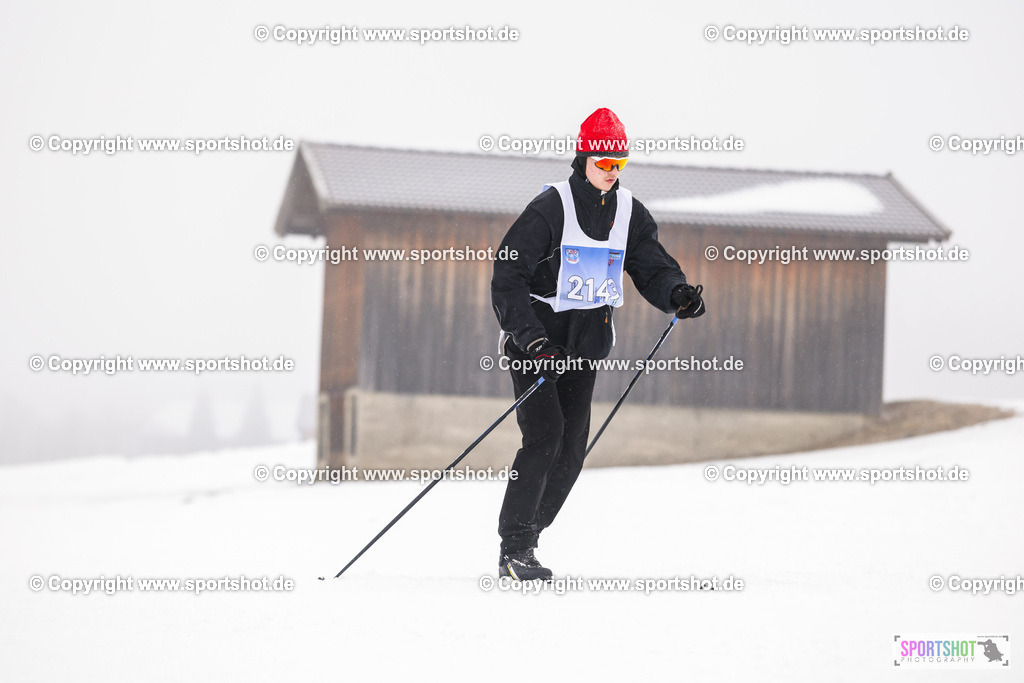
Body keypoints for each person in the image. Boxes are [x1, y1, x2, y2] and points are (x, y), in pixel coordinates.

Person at [490, 108, 706, 580]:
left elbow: (651, 264)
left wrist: (677, 292)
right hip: (539, 344)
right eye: (603, 163)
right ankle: (516, 547)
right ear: (583, 158)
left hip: (584, 346)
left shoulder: (628, 212)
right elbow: (508, 273)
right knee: (544, 435)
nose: (611, 173)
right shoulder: (551, 207)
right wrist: (530, 337)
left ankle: (529, 535)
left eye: (619, 164)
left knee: (571, 450)